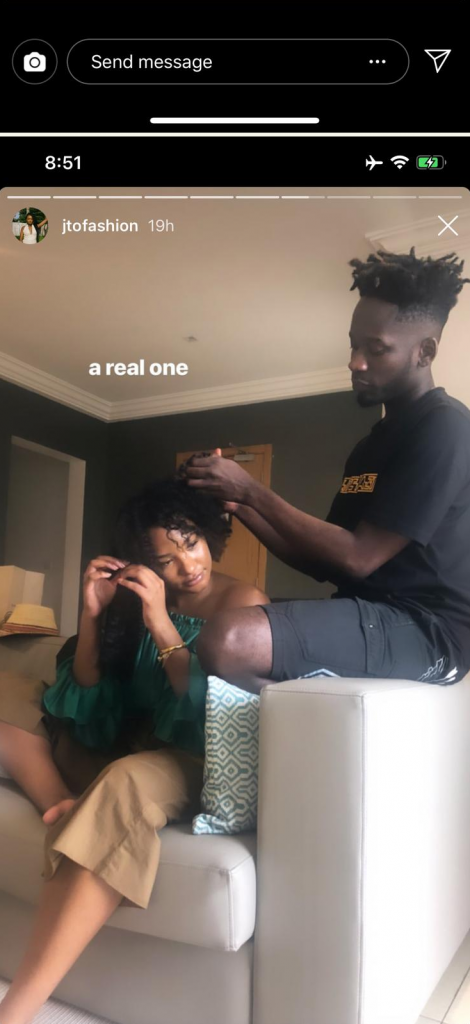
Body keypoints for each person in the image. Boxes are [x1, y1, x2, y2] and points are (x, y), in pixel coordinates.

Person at [0, 478, 268, 1024]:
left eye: (191, 543)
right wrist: (92, 614)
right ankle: (62, 805)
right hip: (123, 743)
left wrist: (162, 623)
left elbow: (205, 711)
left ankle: (15, 1012)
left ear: (207, 533)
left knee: (124, 780)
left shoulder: (243, 603)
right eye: (166, 560)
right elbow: (89, 695)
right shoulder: (135, 596)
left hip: (190, 756)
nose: (188, 566)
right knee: (6, 692)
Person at [184, 249, 470, 694]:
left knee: (229, 639)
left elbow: (360, 556)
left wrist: (253, 490)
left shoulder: (445, 427)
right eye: (354, 344)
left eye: (376, 349)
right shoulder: (369, 447)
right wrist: (237, 503)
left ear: (425, 352)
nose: (356, 361)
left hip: (430, 631)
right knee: (223, 633)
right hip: (371, 611)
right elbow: (325, 562)